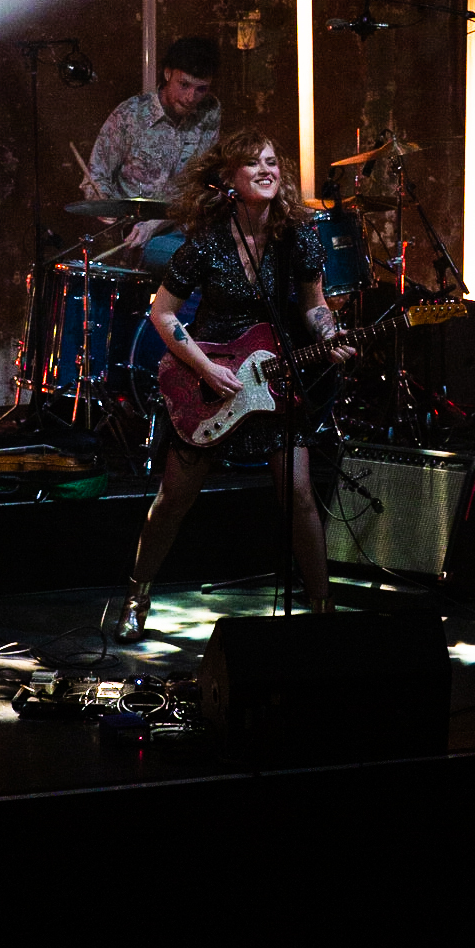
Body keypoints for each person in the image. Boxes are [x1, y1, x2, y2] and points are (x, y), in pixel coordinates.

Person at [114, 128, 354, 642]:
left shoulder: (297, 235)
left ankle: (323, 605)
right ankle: (136, 595)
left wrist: (329, 335)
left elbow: (314, 305)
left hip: (273, 378)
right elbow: (163, 314)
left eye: (271, 161)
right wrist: (205, 368)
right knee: (174, 499)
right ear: (228, 179)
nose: (267, 170)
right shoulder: (206, 241)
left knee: (299, 495)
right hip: (211, 380)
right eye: (253, 164)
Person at [82, 36, 221, 268]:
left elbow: (201, 182)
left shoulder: (209, 110)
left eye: (201, 89)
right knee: (194, 262)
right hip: (135, 235)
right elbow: (95, 175)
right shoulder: (131, 114)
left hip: (183, 229)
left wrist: (156, 223)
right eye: (184, 85)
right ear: (167, 74)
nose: (191, 97)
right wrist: (104, 203)